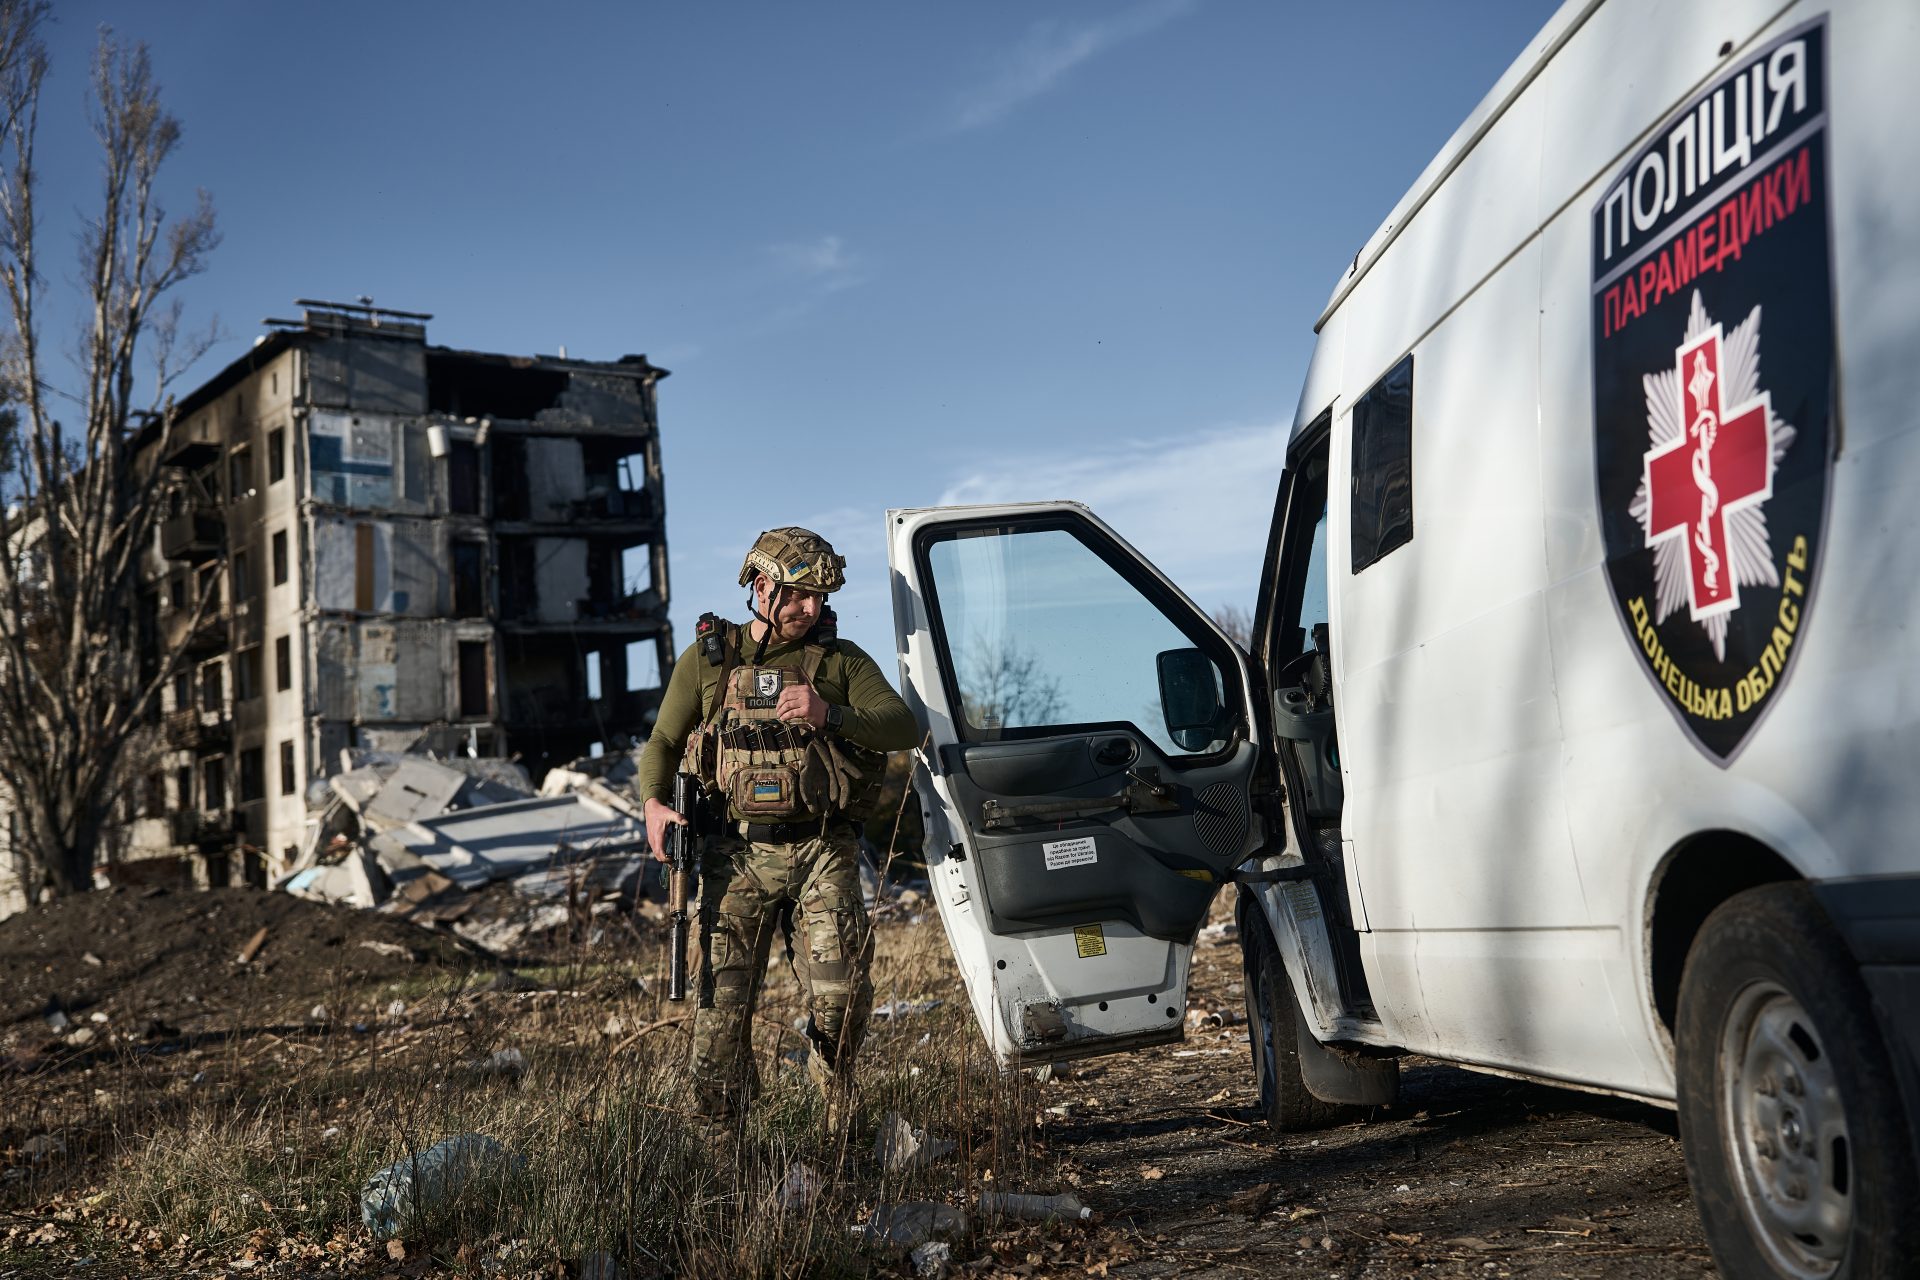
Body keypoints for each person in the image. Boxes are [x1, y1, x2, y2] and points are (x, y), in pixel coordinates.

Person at [638, 526, 918, 1121]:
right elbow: (664, 739)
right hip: (733, 856)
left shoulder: (838, 660)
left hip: (822, 849)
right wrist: (653, 804)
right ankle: (729, 1155)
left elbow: (902, 726)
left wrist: (831, 713)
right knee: (718, 1021)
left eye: (819, 599)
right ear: (763, 588)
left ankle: (831, 1098)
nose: (811, 609)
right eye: (798, 596)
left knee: (843, 998)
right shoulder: (710, 659)